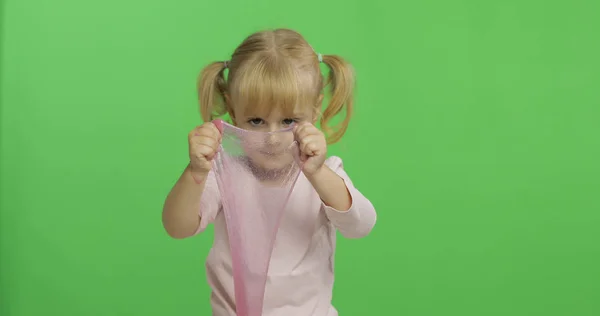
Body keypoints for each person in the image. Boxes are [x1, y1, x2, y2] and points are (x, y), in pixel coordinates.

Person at [162, 28, 377, 316]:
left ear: (314, 113)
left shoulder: (324, 174)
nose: (273, 138)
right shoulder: (224, 172)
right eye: (256, 121)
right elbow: (177, 227)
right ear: (233, 114)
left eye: (288, 120)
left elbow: (361, 225)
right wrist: (195, 173)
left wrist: (317, 174)